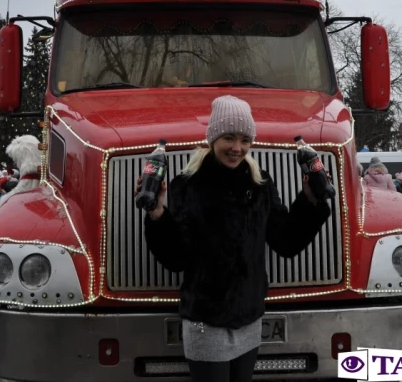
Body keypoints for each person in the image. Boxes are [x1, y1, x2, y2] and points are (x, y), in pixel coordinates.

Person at [136, 95, 332, 382]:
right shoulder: (188, 185)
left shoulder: (260, 183)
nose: (237, 148)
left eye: (244, 140)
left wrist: (310, 201)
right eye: (229, 138)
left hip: (249, 319)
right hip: (206, 321)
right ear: (213, 138)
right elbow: (176, 258)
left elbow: (286, 242)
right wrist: (157, 213)